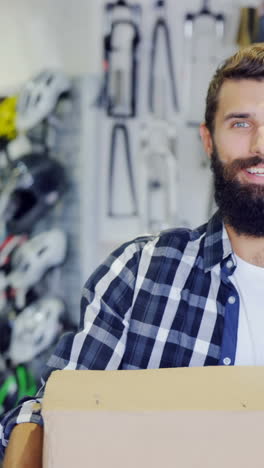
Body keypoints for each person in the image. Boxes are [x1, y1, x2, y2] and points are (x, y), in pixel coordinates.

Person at [2, 42, 264, 466]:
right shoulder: (141, 274)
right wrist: (31, 430)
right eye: (240, 123)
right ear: (208, 140)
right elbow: (50, 410)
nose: (260, 143)